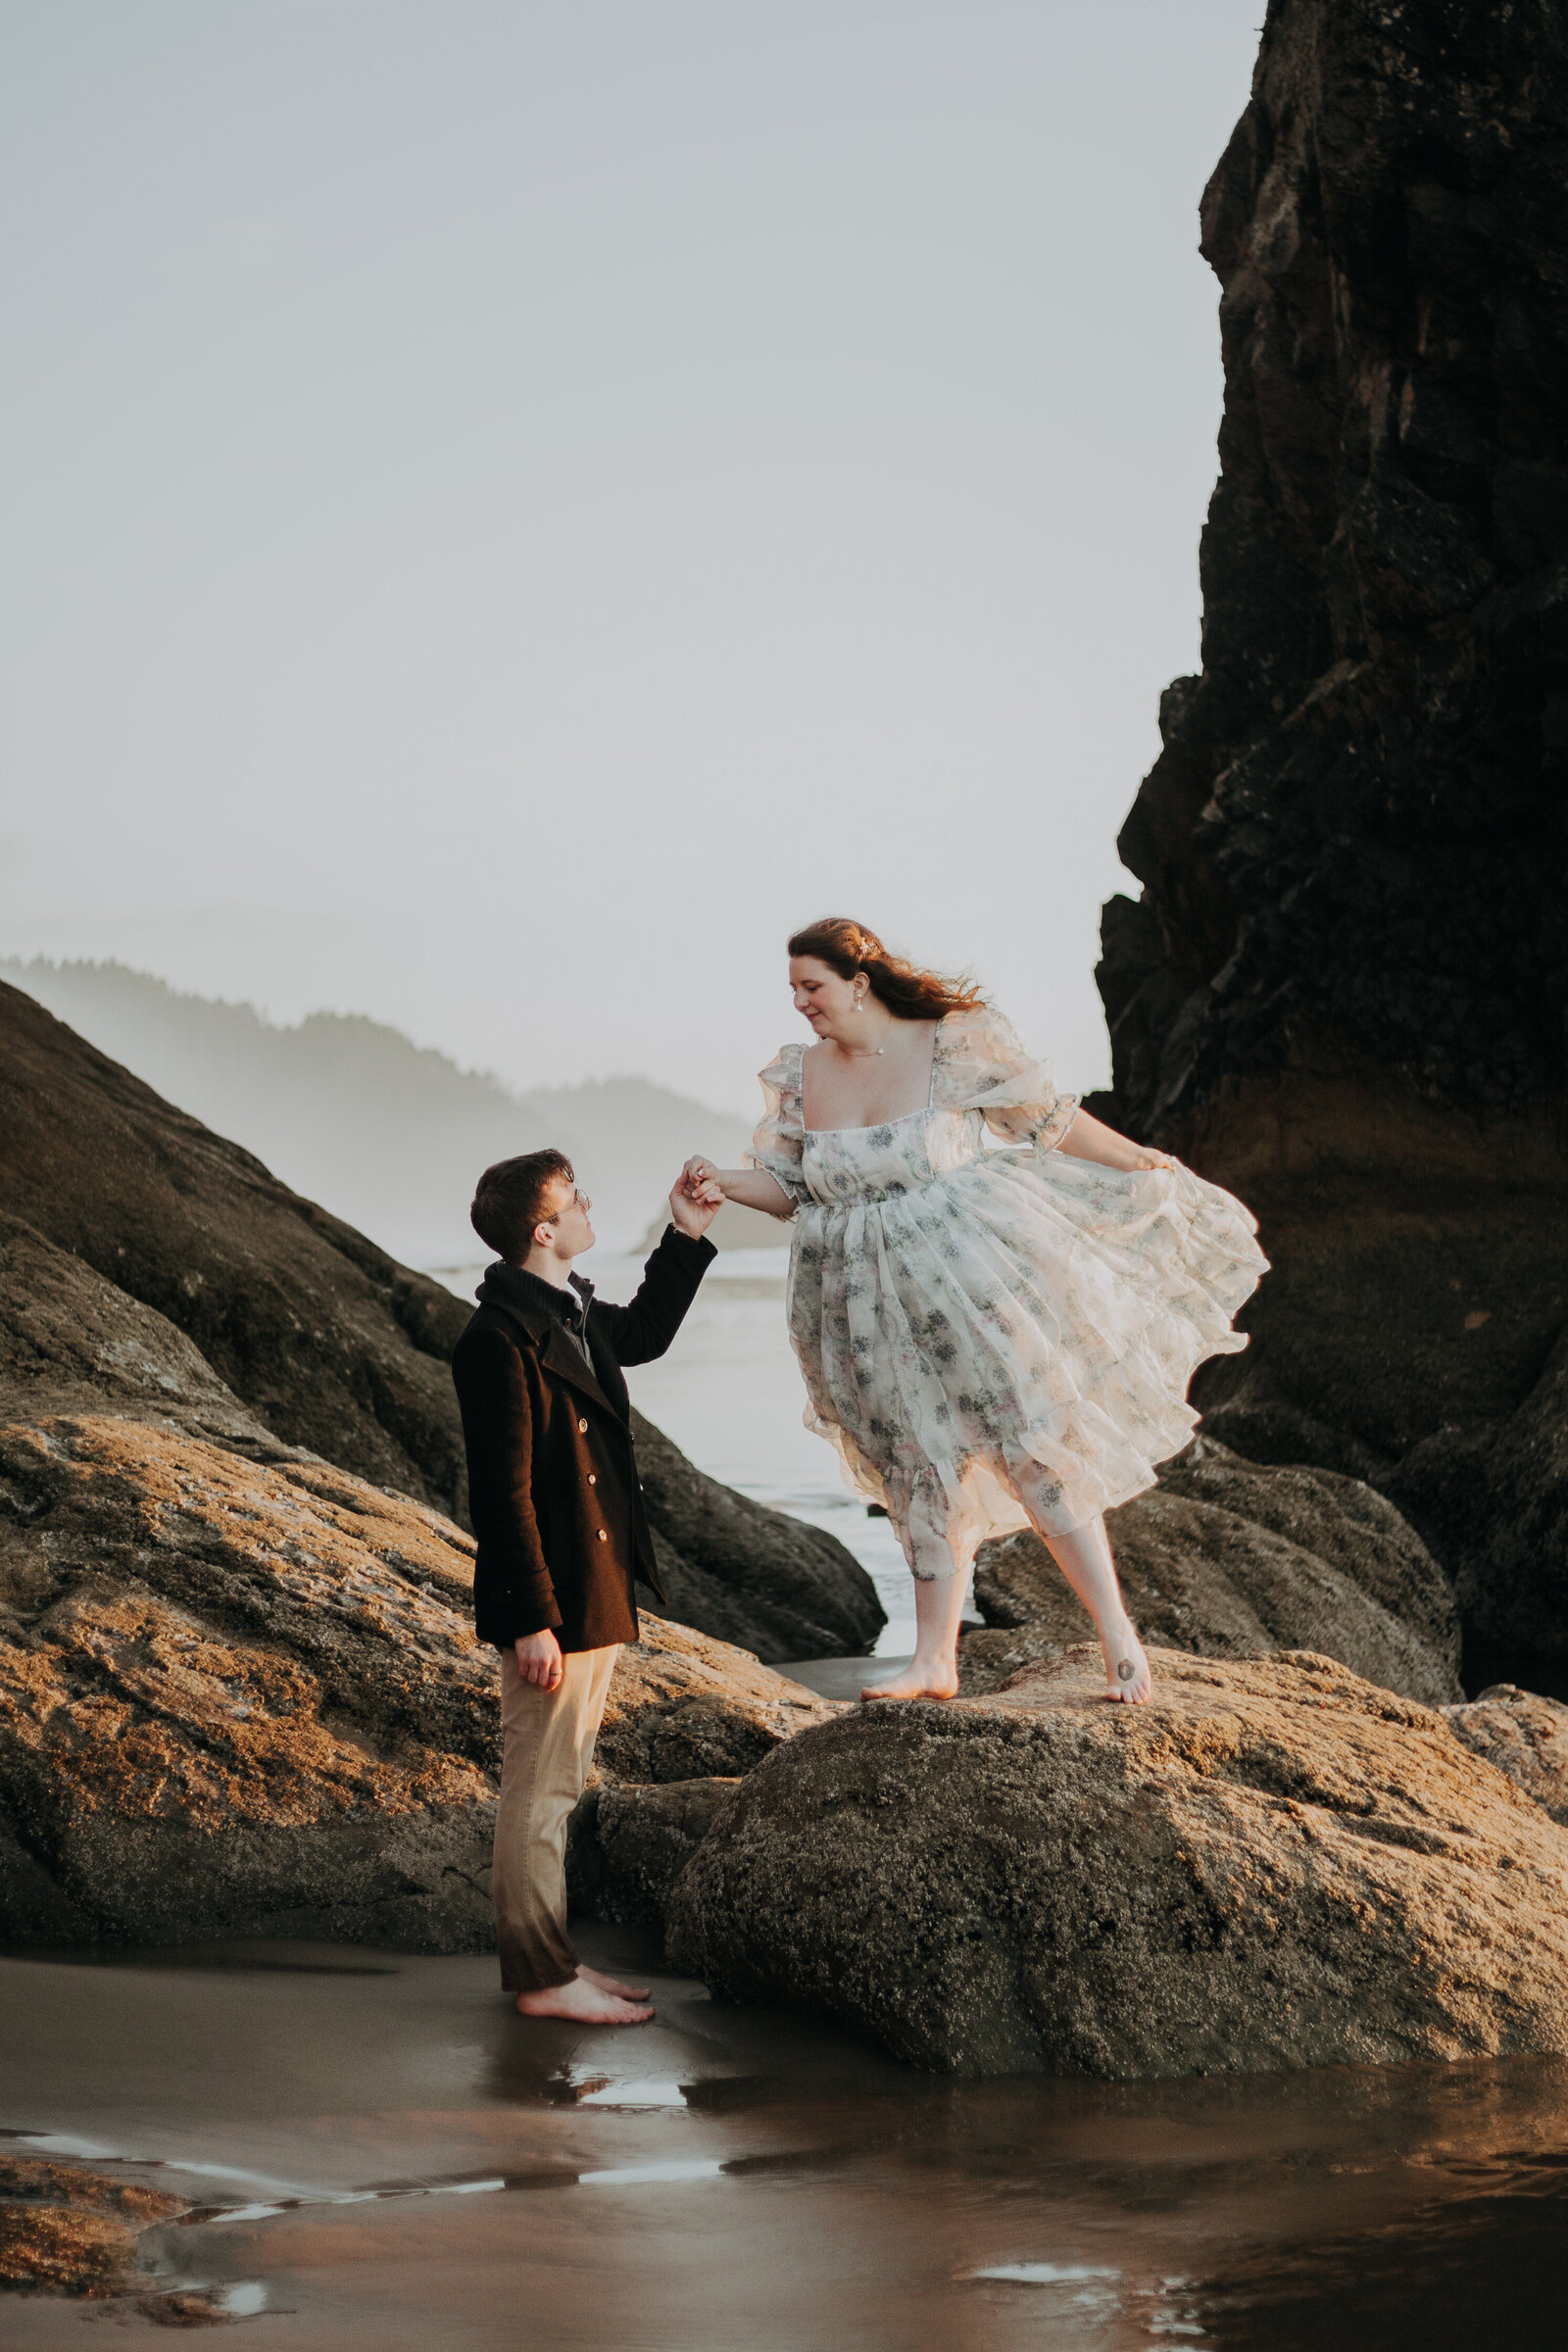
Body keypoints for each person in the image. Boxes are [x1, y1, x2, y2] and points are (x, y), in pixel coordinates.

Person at [683, 917, 1267, 1708]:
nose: (800, 1004)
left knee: (1030, 1446)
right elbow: (795, 1190)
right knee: (921, 1468)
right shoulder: (803, 1075)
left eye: (810, 987)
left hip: (965, 1280)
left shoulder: (951, 1043)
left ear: (858, 982)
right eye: (792, 991)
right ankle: (933, 1662)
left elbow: (1047, 1120)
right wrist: (719, 1180)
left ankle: (1117, 1638)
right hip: (859, 1303)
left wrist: (1141, 1161)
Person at [452, 1148, 722, 2026]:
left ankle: (556, 1962)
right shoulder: (496, 1338)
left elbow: (640, 1335)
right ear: (543, 1230)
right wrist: (531, 1619)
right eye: (576, 1200)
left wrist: (684, 1236)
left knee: (562, 1783)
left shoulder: (565, 1309)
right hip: (554, 1597)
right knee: (539, 1788)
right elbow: (503, 1493)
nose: (587, 1207)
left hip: (594, 1583)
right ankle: (540, 1979)